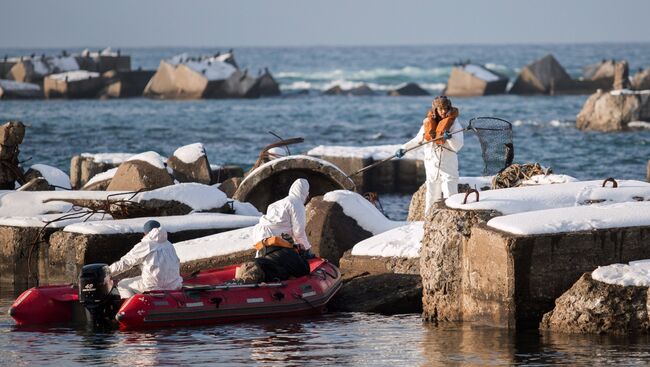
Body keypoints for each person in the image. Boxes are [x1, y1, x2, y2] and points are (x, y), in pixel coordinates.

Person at [396, 96, 464, 215]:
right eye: (440, 108)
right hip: (431, 162)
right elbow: (418, 140)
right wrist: (404, 149)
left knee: (450, 189)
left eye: (446, 108)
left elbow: (458, 146)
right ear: (435, 109)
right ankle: (429, 219)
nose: (443, 111)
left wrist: (450, 138)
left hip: (447, 163)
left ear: (449, 108)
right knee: (432, 192)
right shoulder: (427, 123)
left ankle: (452, 217)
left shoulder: (455, 125)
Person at [108, 220, 183, 299]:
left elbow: (126, 262)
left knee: (122, 284)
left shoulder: (146, 245)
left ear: (146, 233)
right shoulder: (169, 245)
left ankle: (132, 307)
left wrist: (108, 272)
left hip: (153, 286)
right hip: (174, 285)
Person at [251, 178, 313, 257]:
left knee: (262, 263)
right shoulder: (297, 203)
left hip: (259, 235)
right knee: (278, 263)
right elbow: (298, 231)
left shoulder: (281, 202)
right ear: (305, 193)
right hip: (274, 239)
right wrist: (307, 249)